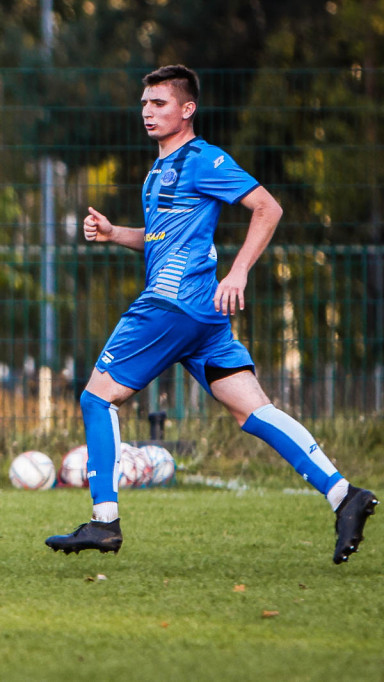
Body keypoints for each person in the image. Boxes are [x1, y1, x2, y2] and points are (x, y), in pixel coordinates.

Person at [44, 65, 378, 564]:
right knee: (254, 411)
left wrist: (238, 273)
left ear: (187, 109)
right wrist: (117, 234)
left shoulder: (203, 158)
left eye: (159, 103)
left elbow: (268, 208)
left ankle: (104, 522)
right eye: (144, 104)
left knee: (97, 398)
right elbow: (160, 241)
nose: (147, 112)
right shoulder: (159, 169)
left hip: (171, 305)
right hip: (201, 318)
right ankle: (344, 495)